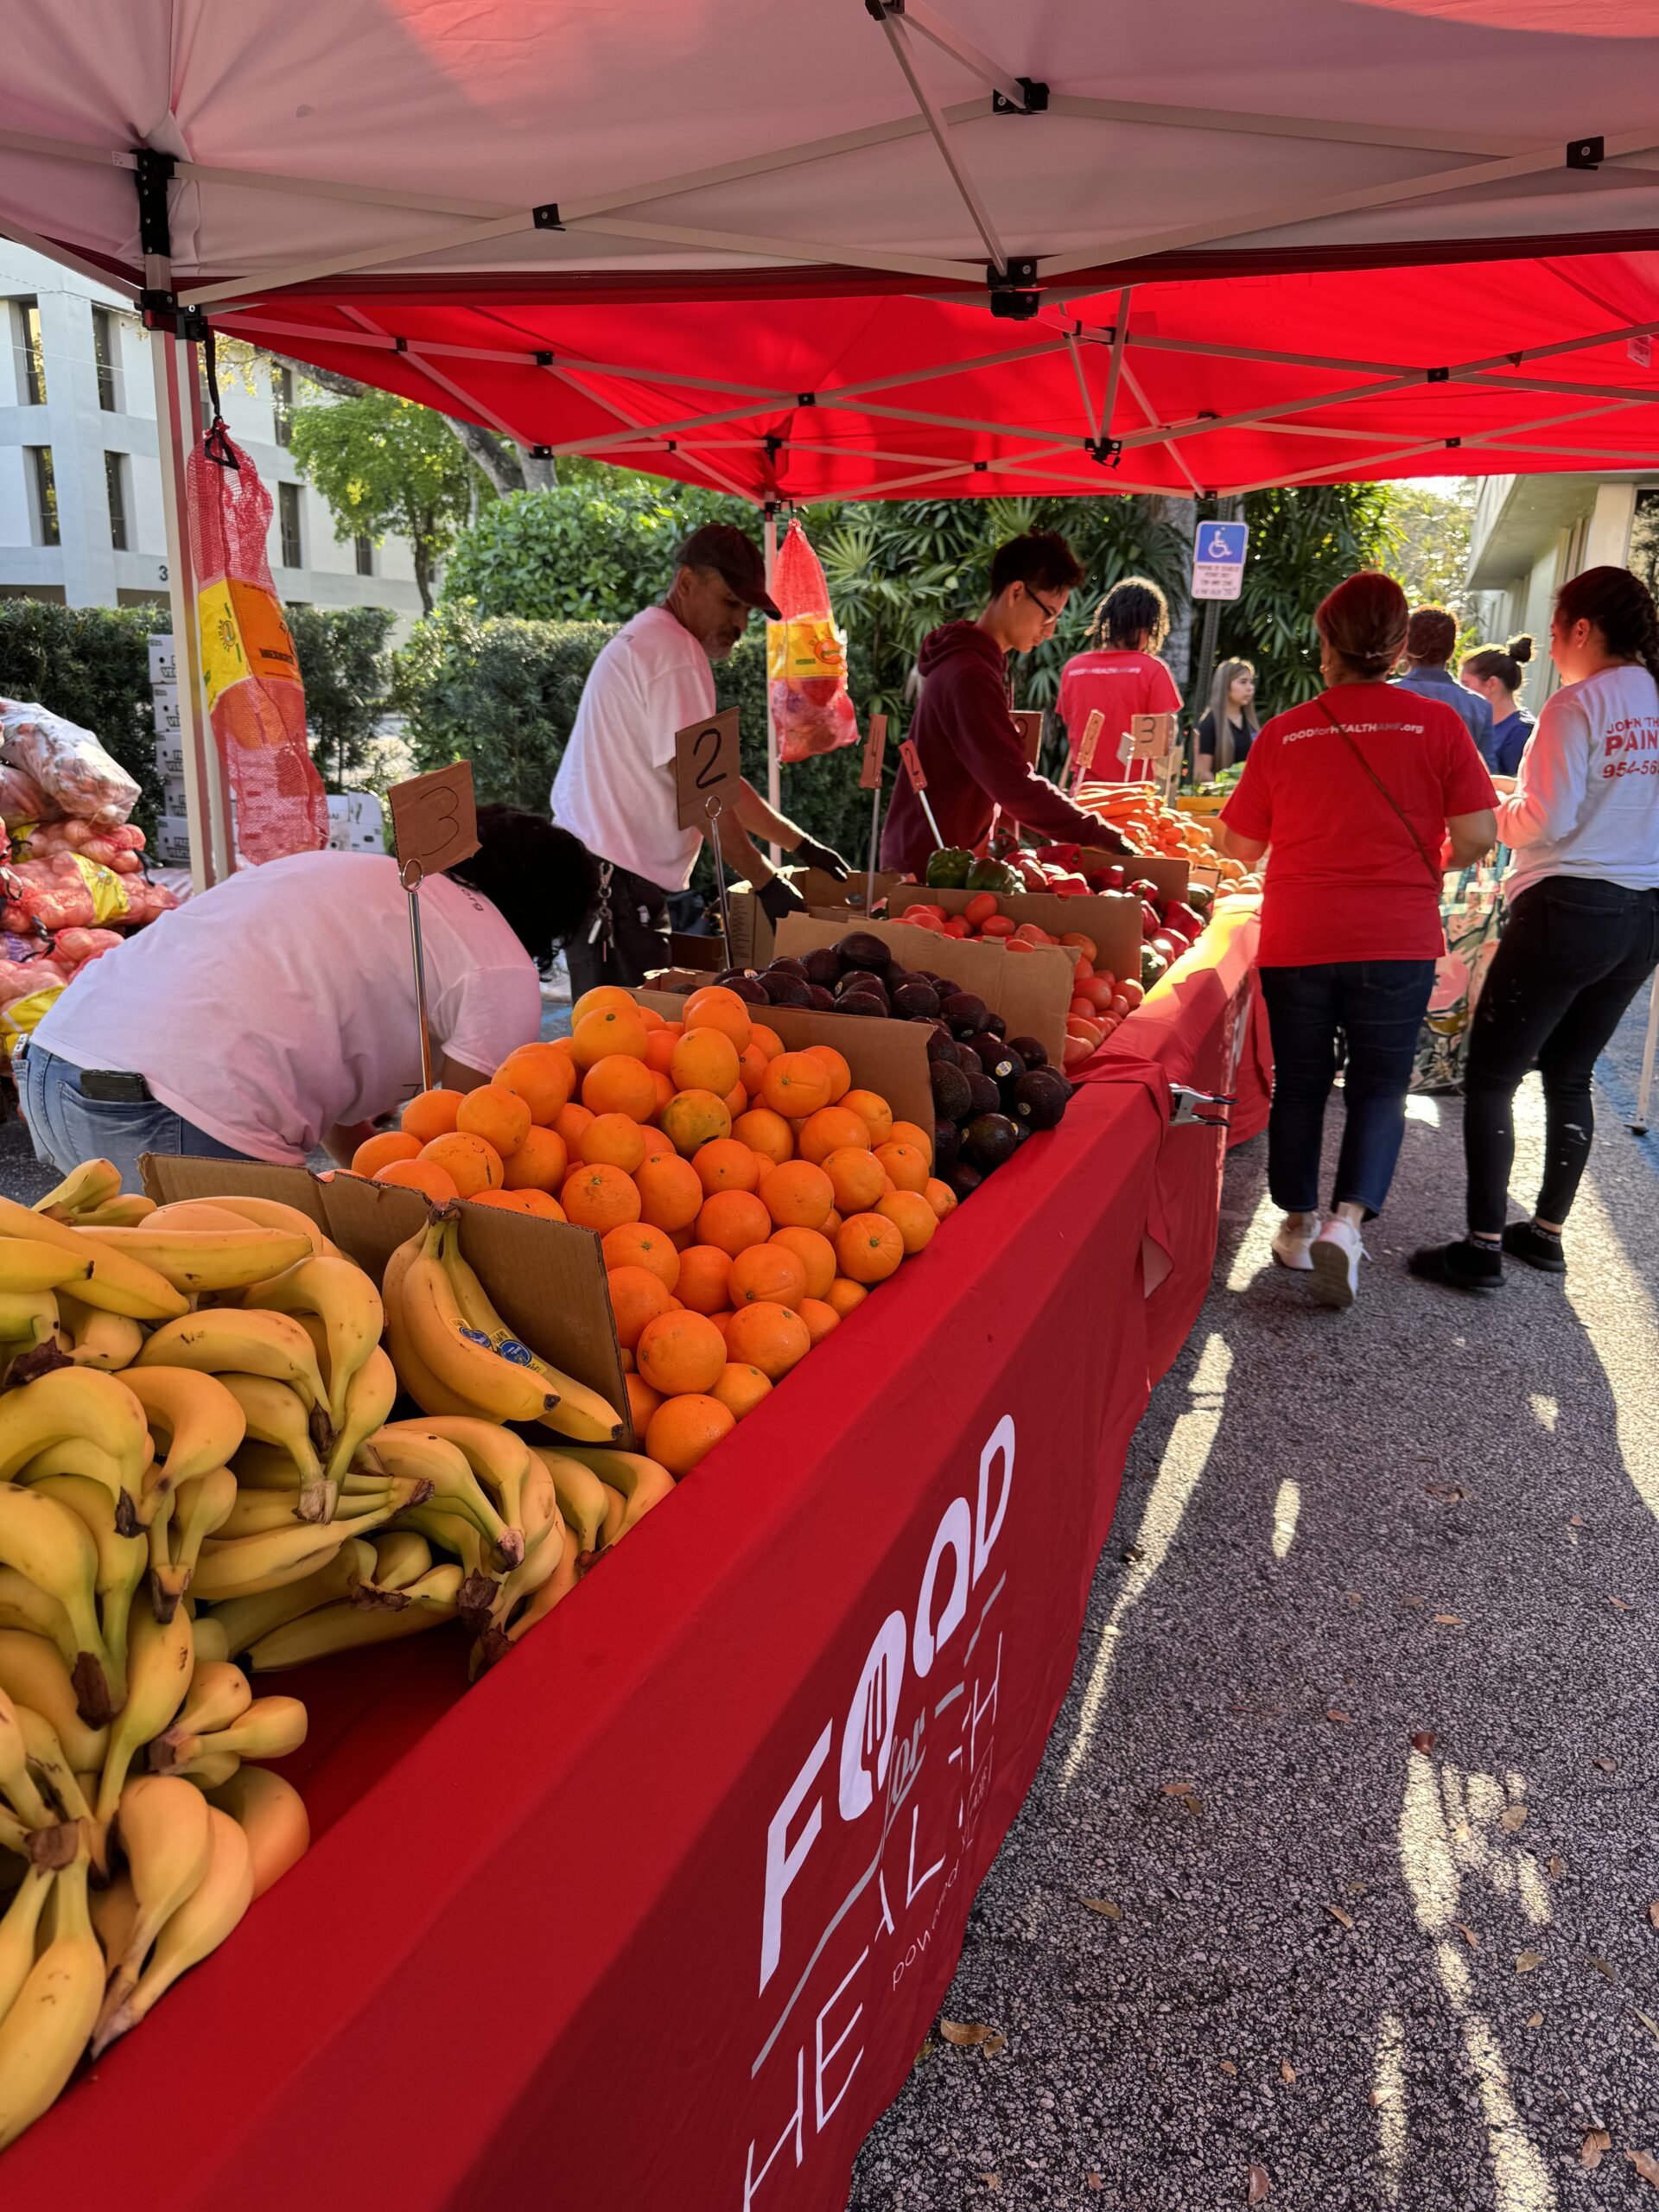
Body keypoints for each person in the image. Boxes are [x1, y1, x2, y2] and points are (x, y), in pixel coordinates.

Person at [22, 807, 596, 1188]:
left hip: (53, 1065)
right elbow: (468, 1154)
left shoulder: (354, 875)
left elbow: (312, 1076)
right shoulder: (499, 965)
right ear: (552, 914)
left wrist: (367, 1185)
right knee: (250, 1337)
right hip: (184, 1112)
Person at [1216, 572, 1497, 1307]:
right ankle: (1348, 1221)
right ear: (1401, 646)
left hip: (1299, 936)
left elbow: (1238, 846)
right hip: (1397, 937)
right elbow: (1478, 835)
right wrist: (1428, 860)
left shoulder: (1283, 732)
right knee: (1378, 1086)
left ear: (1324, 645)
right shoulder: (1438, 727)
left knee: (1301, 1084)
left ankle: (1298, 1223)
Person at [1411, 566, 1659, 1293]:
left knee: (1492, 1072)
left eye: (1555, 632)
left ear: (1583, 630)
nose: (1550, 648)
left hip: (1566, 909)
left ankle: (1483, 1244)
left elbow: (1545, 819)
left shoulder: (1576, 704)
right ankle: (1545, 1233)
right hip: (1642, 914)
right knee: (1571, 1071)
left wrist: (1490, 816)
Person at [551, 523, 852, 992]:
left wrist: (800, 844)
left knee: (617, 1043)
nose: (740, 625)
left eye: (747, 610)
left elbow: (716, 779)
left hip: (600, 875)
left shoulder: (652, 638)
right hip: (615, 885)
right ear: (686, 583)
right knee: (623, 1046)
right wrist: (766, 884)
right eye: (731, 603)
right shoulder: (674, 654)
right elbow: (705, 794)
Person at [880, 532, 1128, 874]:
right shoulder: (969, 673)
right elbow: (1012, 782)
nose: (1051, 631)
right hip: (930, 866)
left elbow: (995, 776)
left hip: (943, 857)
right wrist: (1101, 836)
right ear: (1016, 593)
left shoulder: (977, 663)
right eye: (1049, 615)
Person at [1057, 577, 1183, 783]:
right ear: (1149, 626)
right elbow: (1164, 742)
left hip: (1084, 794)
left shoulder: (1073, 669)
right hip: (1133, 795)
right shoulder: (1152, 670)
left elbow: (1072, 725)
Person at [1395, 605, 1495, 766]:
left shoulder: (1382, 696)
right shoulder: (1479, 707)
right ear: (1452, 651)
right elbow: (1487, 773)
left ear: (1406, 646)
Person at [1459, 635, 1535, 777]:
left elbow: (1516, 788)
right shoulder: (1478, 723)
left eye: (1466, 684)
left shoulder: (1521, 732)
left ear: (1491, 684)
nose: (1460, 690)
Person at [1194, 658, 1260, 782]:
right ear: (1226, 685)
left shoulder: (1251, 723)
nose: (1250, 688)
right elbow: (1203, 773)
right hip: (1222, 798)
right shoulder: (1209, 725)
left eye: (1251, 682)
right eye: (1243, 682)